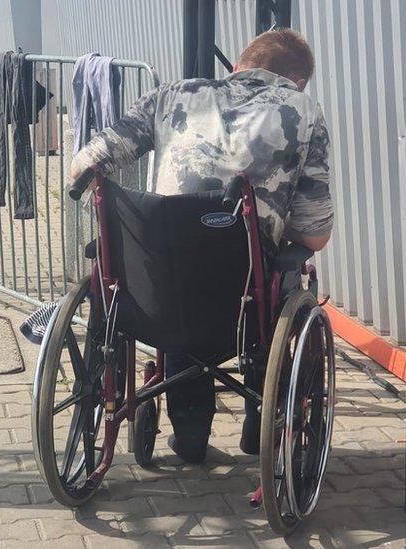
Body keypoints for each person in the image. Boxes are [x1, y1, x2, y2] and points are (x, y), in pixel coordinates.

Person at [70, 28, 334, 463]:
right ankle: (259, 422)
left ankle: (190, 436)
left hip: (156, 288)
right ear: (298, 80)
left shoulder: (169, 95)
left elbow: (87, 164)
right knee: (273, 278)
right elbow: (315, 232)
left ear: (237, 67)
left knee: (179, 280)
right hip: (242, 294)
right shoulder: (303, 111)